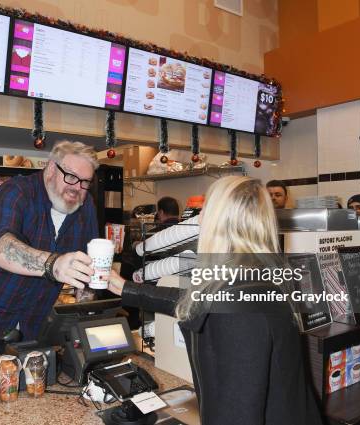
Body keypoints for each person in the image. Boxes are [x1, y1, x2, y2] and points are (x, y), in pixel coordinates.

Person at [107, 176, 322, 425]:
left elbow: (236, 414)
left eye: (205, 211)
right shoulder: (259, 271)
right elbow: (194, 302)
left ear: (216, 222)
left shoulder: (238, 311)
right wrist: (127, 288)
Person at [0, 141, 99, 354]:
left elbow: (90, 260)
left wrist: (84, 313)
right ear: (52, 168)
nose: (77, 188)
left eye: (85, 182)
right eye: (71, 177)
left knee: (24, 384)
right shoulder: (15, 192)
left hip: (31, 320)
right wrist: (54, 264)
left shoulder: (86, 205)